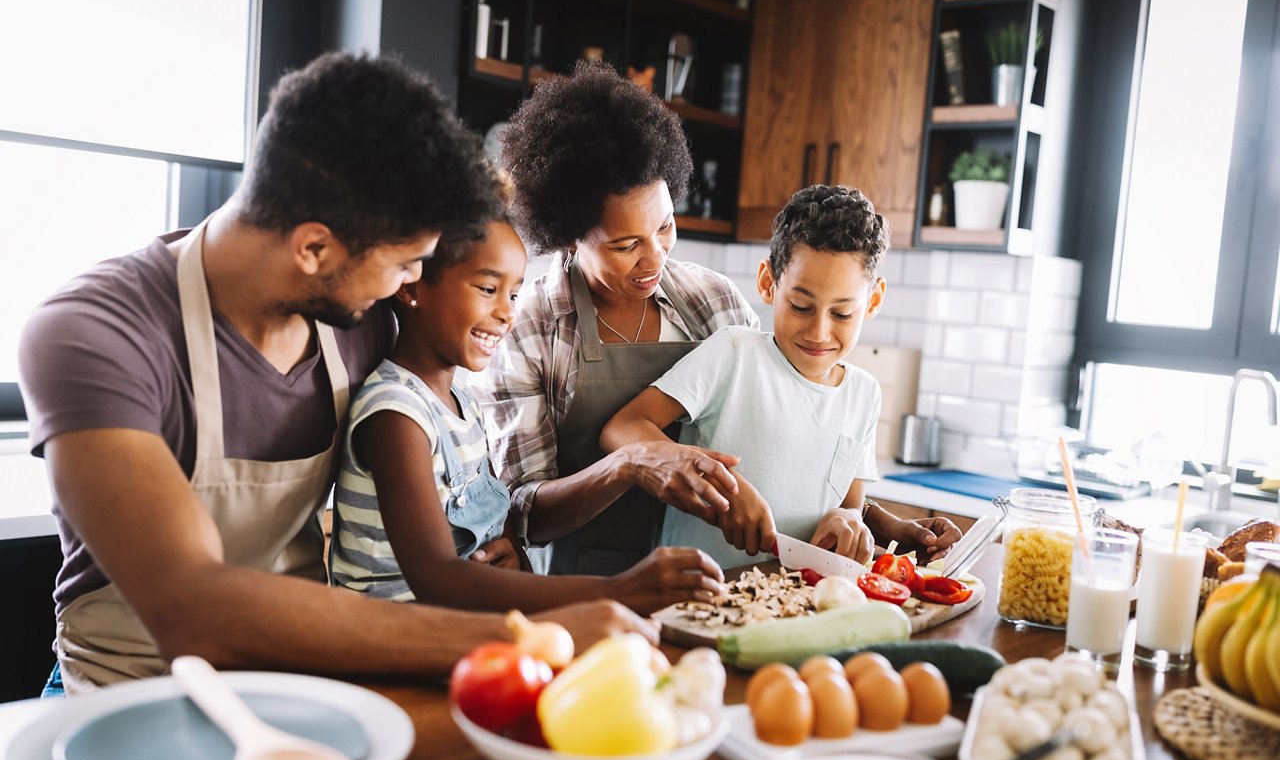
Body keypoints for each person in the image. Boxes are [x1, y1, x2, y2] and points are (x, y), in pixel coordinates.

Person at [18, 53, 654, 696]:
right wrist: (529, 633)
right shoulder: (91, 335)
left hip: (297, 681)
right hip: (126, 689)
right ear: (314, 248)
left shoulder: (361, 319)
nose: (412, 283)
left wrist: (490, 547)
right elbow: (192, 610)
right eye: (407, 263)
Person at [330, 184, 725, 614]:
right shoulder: (397, 415)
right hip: (392, 638)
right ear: (411, 288)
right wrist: (616, 592)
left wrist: (510, 550)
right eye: (487, 289)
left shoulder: (460, 402)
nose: (508, 313)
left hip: (454, 625)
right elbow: (438, 578)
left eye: (513, 293)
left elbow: (480, 539)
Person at [474, 61, 759, 578]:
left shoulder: (713, 303)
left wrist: (862, 512)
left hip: (712, 575)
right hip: (581, 584)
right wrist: (629, 465)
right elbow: (524, 512)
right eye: (627, 245)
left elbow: (774, 431)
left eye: (666, 227)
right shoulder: (529, 326)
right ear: (569, 236)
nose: (655, 258)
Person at [601, 185, 963, 569]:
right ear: (768, 283)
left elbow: (848, 506)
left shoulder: (864, 394)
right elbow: (622, 429)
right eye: (801, 306)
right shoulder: (733, 354)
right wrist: (719, 482)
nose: (819, 332)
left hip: (795, 605)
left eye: (841, 314)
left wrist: (846, 521)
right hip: (696, 596)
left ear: (872, 301)